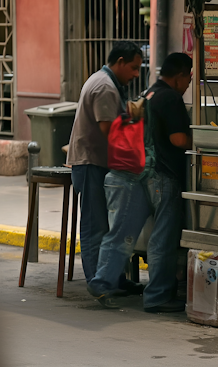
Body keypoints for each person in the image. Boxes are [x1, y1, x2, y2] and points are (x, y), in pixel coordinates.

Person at [87, 53, 193, 313]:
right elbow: (179, 140)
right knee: (162, 238)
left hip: (136, 172)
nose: (189, 84)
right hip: (163, 175)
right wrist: (199, 143)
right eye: (189, 78)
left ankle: (101, 281)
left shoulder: (149, 94)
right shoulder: (171, 98)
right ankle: (157, 296)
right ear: (179, 76)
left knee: (122, 233)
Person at [67, 41, 143, 285]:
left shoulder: (105, 81)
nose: (135, 74)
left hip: (95, 161)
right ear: (119, 62)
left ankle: (111, 278)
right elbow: (109, 130)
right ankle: (96, 281)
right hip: (91, 162)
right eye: (133, 67)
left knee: (103, 224)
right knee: (94, 225)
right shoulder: (105, 87)